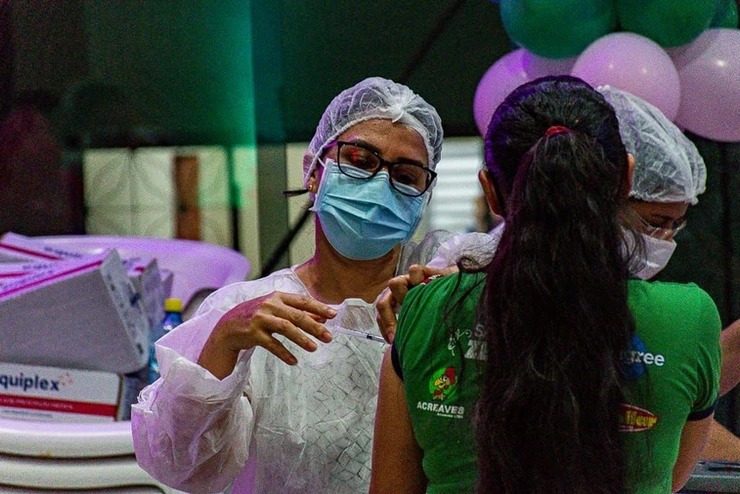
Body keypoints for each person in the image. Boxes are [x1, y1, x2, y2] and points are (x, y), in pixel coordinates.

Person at [370, 76, 722, 493]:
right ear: (626, 180)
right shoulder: (688, 317)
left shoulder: (425, 309)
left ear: (491, 192)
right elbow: (670, 476)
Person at [131, 76, 445, 493]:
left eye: (406, 175)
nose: (380, 183)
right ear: (315, 171)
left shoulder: (442, 286)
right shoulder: (246, 312)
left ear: (424, 197)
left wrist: (458, 290)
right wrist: (225, 341)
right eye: (360, 159)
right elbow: (181, 465)